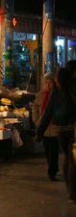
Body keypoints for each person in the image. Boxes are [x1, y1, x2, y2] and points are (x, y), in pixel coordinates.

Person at [35, 67, 76, 202]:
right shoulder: (72, 88)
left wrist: (39, 131)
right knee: (71, 159)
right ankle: (72, 193)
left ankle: (70, 190)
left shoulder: (56, 91)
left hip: (61, 129)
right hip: (72, 128)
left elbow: (48, 111)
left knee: (68, 158)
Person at [32, 72, 59, 180]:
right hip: (44, 128)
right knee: (47, 150)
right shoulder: (39, 95)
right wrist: (38, 121)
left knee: (53, 150)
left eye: (50, 83)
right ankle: (52, 167)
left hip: (54, 127)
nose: (48, 85)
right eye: (46, 82)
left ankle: (52, 171)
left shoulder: (57, 95)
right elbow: (35, 110)